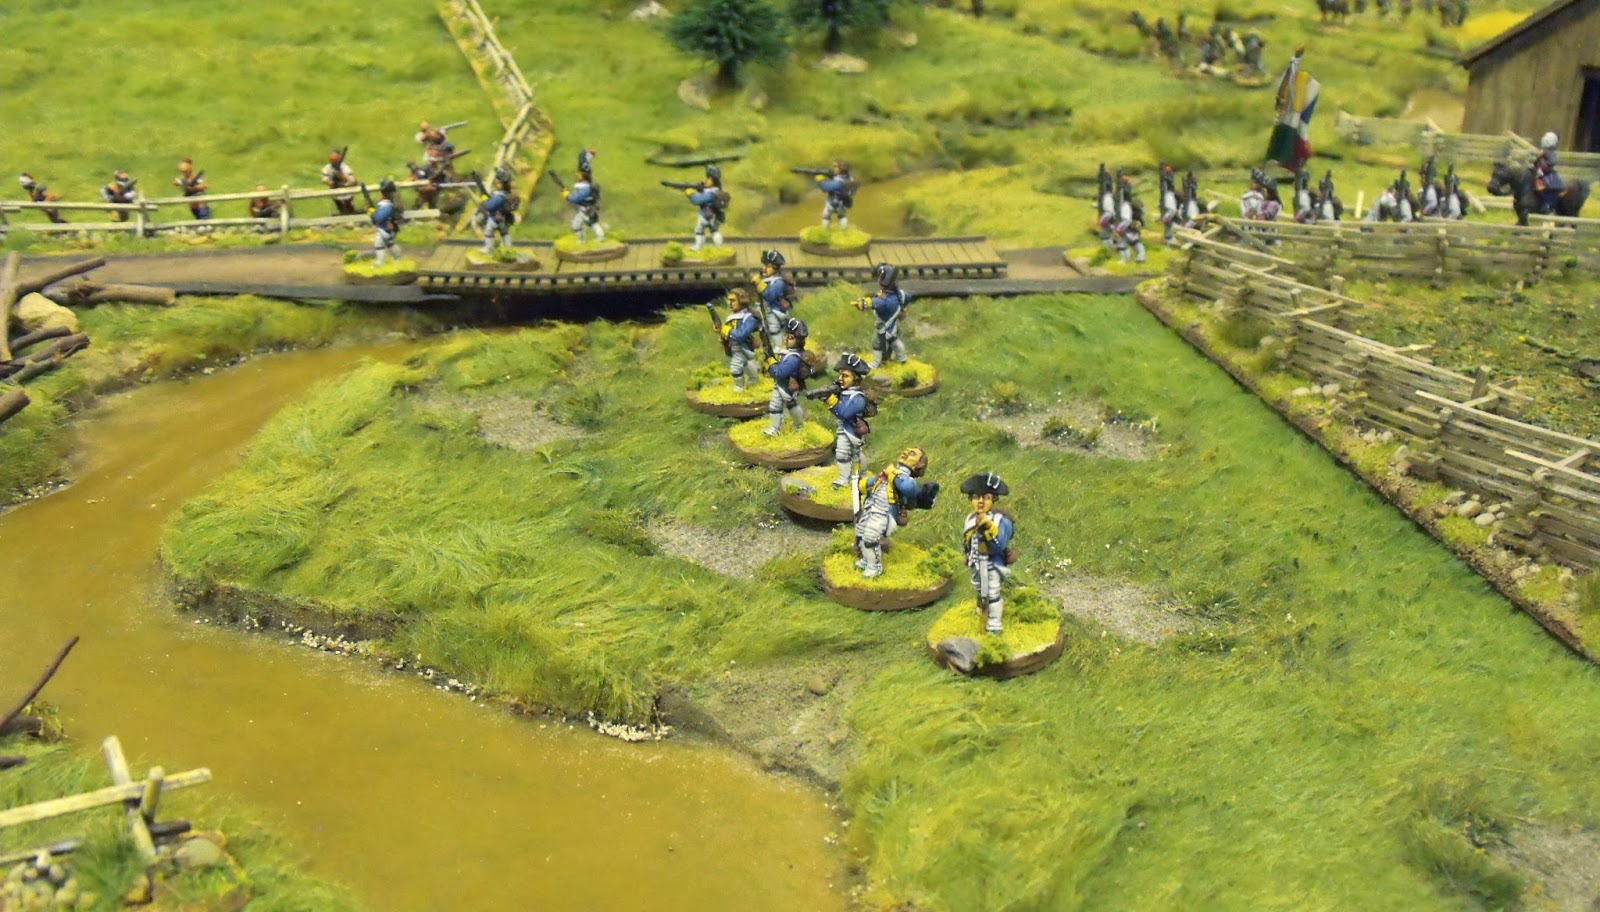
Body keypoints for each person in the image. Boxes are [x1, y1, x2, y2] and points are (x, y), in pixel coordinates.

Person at [853, 447, 938, 580]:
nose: (906, 454)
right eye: (907, 451)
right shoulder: (889, 473)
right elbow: (872, 482)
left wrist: (893, 474)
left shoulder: (903, 478)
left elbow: (909, 488)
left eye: (911, 454)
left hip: (884, 512)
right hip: (871, 507)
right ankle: (866, 559)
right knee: (861, 532)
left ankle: (874, 567)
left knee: (870, 537)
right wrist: (859, 483)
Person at [961, 472, 1016, 635]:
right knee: (979, 589)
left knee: (992, 593)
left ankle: (994, 624)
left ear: (993, 500)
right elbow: (967, 541)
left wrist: (989, 528)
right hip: (976, 562)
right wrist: (968, 555)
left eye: (985, 498)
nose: (980, 502)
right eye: (976, 497)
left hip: (992, 563)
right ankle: (981, 613)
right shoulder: (970, 519)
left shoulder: (1000, 521)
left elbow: (999, 545)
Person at [808, 353, 873, 488]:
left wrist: (830, 399)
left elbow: (844, 413)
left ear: (855, 378)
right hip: (842, 427)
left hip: (852, 428)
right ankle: (847, 477)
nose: (840, 379)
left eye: (845, 376)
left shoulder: (858, 398)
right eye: (840, 375)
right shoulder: (844, 391)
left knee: (850, 453)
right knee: (848, 453)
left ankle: (857, 476)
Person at [855, 262, 911, 369]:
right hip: (892, 326)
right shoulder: (900, 294)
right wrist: (903, 309)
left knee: (877, 343)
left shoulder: (886, 300)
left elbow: (874, 302)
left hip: (884, 327)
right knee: (893, 341)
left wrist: (863, 303)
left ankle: (876, 363)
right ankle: (901, 357)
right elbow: (907, 297)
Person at [763, 317, 812, 437]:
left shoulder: (794, 358)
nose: (785, 339)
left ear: (799, 340)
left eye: (790, 337)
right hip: (779, 384)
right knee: (774, 406)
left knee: (792, 406)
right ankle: (774, 428)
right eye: (786, 336)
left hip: (788, 385)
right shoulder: (787, 353)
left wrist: (771, 364)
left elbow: (780, 372)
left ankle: (799, 426)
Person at [719, 288, 761, 391]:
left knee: (735, 367)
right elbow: (728, 331)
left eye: (733, 300)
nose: (729, 303)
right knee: (746, 363)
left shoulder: (749, 318)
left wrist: (727, 330)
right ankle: (754, 379)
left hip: (744, 346)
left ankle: (738, 387)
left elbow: (741, 335)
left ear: (741, 301)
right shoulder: (731, 317)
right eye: (729, 300)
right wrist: (722, 334)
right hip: (733, 346)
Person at [754, 249, 795, 352]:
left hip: (774, 310)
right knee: (765, 328)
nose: (764, 268)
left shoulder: (779, 282)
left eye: (768, 266)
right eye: (764, 265)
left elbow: (770, 296)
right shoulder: (767, 280)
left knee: (774, 327)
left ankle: (778, 346)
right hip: (765, 308)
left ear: (775, 267)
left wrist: (759, 284)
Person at [684, 164, 729, 251]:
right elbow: (704, 192)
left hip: (705, 215)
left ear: (713, 181)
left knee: (699, 231)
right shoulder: (716, 191)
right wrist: (700, 189)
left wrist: (690, 193)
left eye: (708, 179)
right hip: (713, 216)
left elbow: (696, 201)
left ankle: (699, 247)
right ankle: (719, 247)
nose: (706, 181)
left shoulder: (711, 193)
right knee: (714, 231)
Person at [565, 152, 604, 243]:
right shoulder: (584, 185)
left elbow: (576, 198)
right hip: (583, 209)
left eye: (579, 175)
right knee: (577, 225)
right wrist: (588, 156)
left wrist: (567, 194)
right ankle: (581, 240)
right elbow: (584, 164)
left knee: (591, 223)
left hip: (586, 209)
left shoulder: (585, 188)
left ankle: (600, 237)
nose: (577, 175)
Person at [1113, 173, 1147, 263]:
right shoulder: (1123, 200)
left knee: (1134, 243)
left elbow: (1132, 219)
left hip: (1130, 229)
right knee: (1127, 242)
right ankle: (1127, 258)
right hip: (1128, 229)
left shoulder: (1129, 205)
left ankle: (1139, 257)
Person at [813, 159, 855, 231]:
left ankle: (825, 232)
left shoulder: (838, 181)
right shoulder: (850, 179)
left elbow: (825, 187)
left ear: (840, 169)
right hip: (844, 202)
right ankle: (844, 233)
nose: (833, 168)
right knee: (842, 216)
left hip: (833, 201)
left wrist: (819, 179)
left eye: (835, 167)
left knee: (826, 215)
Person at [475, 180, 515, 255]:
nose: (496, 183)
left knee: (488, 232)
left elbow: (490, 207)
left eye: (498, 182)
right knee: (505, 233)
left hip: (495, 218)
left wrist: (485, 200)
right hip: (503, 219)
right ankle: (508, 248)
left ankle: (489, 249)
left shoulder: (498, 196)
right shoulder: (505, 194)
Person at [370, 179, 404, 266]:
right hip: (383, 228)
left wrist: (372, 213)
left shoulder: (387, 206)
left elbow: (379, 218)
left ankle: (389, 260)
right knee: (387, 244)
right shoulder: (384, 205)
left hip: (385, 229)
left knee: (383, 244)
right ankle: (384, 261)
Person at [1534, 132, 1564, 215]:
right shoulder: (1542, 151)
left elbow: (1550, 164)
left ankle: (1548, 205)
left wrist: (1541, 159)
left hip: (1548, 174)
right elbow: (1535, 162)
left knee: (1548, 189)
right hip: (1539, 173)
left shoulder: (1552, 153)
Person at [322, 150, 357, 215]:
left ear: (339, 159)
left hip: (346, 192)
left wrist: (341, 176)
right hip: (335, 193)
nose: (333, 162)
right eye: (331, 160)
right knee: (341, 210)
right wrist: (331, 183)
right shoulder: (327, 167)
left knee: (350, 211)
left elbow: (353, 181)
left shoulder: (345, 168)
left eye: (335, 160)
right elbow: (324, 178)